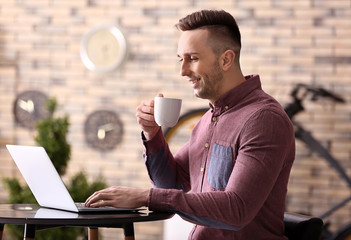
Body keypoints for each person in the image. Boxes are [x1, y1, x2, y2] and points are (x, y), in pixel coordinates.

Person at [85, 9, 295, 240]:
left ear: (226, 59)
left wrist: (146, 197)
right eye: (180, 59)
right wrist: (153, 134)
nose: (183, 71)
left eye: (193, 59)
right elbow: (172, 185)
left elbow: (237, 210)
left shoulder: (263, 119)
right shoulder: (208, 119)